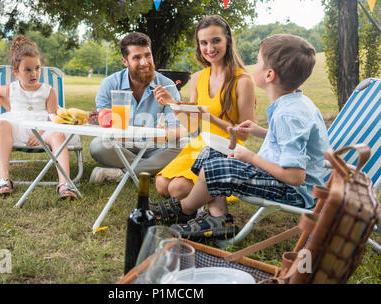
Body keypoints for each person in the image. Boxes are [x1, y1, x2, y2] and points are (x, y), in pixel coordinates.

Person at [151, 34, 330, 241]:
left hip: (294, 192)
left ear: (270, 75)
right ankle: (218, 218)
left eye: (259, 60)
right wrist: (259, 131)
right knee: (212, 152)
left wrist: (251, 158)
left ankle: (184, 209)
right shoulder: (296, 103)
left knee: (215, 168)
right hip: (282, 179)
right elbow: (291, 142)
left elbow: (295, 177)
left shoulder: (289, 114)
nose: (254, 64)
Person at [153, 15, 256, 200]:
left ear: (228, 41)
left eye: (216, 41)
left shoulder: (242, 81)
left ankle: (194, 204)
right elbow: (192, 126)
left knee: (177, 189)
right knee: (161, 184)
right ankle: (192, 202)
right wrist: (172, 103)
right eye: (204, 42)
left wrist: (209, 117)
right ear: (199, 45)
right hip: (201, 146)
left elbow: (245, 134)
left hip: (229, 150)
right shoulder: (197, 78)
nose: (210, 48)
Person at [0, 35, 80, 200]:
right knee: (1, 124)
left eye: (37, 68)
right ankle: (4, 180)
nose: (34, 74)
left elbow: (53, 116)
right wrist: (10, 109)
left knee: (59, 134)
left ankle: (64, 184)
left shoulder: (48, 90)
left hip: (43, 128)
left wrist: (42, 132)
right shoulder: (11, 89)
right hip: (17, 127)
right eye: (28, 70)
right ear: (16, 72)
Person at [89, 32, 184, 184]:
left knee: (182, 147)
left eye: (148, 55)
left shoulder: (167, 86)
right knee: (98, 146)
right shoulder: (110, 84)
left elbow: (179, 129)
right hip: (120, 144)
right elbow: (104, 125)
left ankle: (120, 173)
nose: (145, 62)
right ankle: (149, 167)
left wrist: (170, 107)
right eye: (137, 57)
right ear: (125, 61)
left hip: (153, 144)